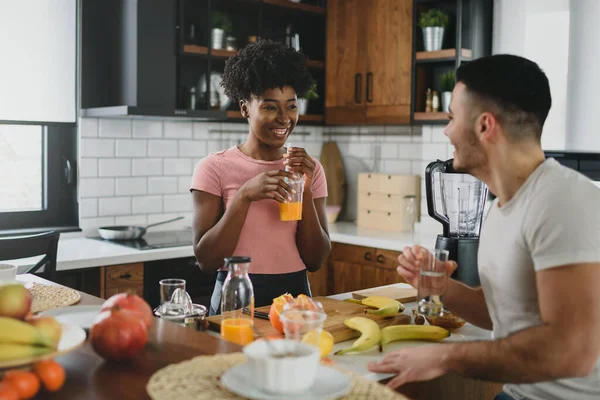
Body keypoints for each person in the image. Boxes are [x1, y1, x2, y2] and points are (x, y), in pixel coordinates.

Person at [369, 54, 600, 400]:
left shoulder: (563, 201)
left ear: (484, 126)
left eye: (451, 118)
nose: (446, 131)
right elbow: (502, 312)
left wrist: (446, 356)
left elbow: (571, 353)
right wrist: (441, 286)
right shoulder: (498, 208)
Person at [190, 39, 330, 315]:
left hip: (295, 297)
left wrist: (306, 190)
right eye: (269, 107)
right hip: (236, 295)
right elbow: (206, 260)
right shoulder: (213, 168)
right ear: (245, 109)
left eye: (291, 106)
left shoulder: (309, 168)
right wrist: (244, 196)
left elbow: (316, 259)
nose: (283, 118)